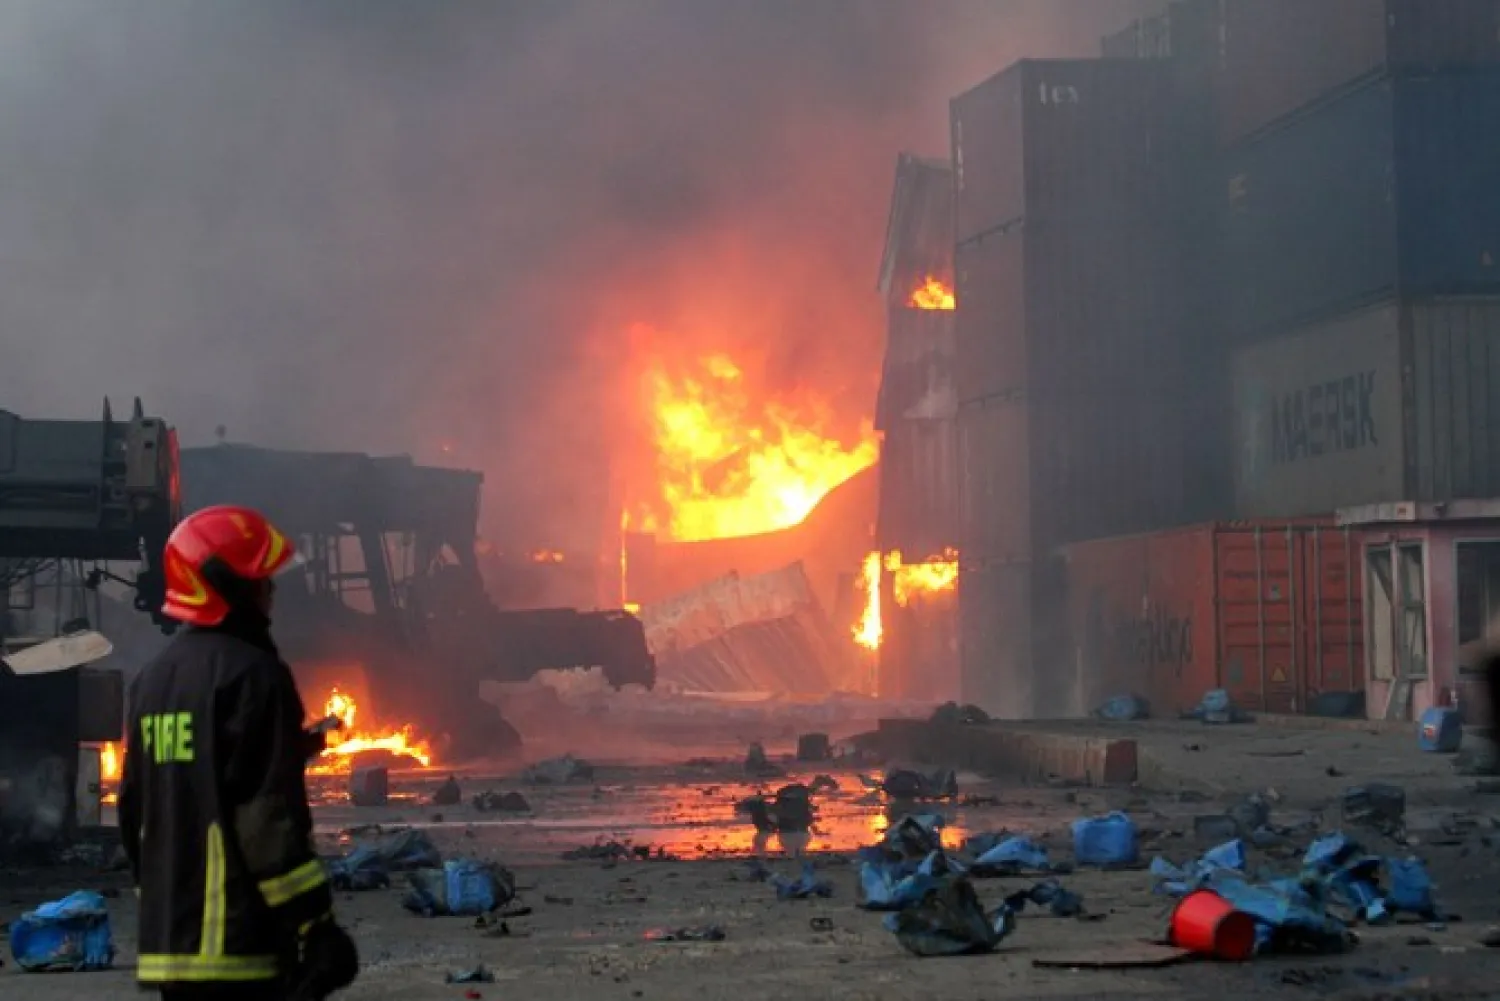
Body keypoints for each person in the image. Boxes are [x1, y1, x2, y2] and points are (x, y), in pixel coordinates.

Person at [118, 506, 358, 1000]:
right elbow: (264, 817)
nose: (271, 591)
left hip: (172, 948)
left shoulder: (151, 681)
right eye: (260, 579)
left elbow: (135, 811)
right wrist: (315, 924)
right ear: (227, 585)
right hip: (239, 942)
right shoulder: (253, 675)